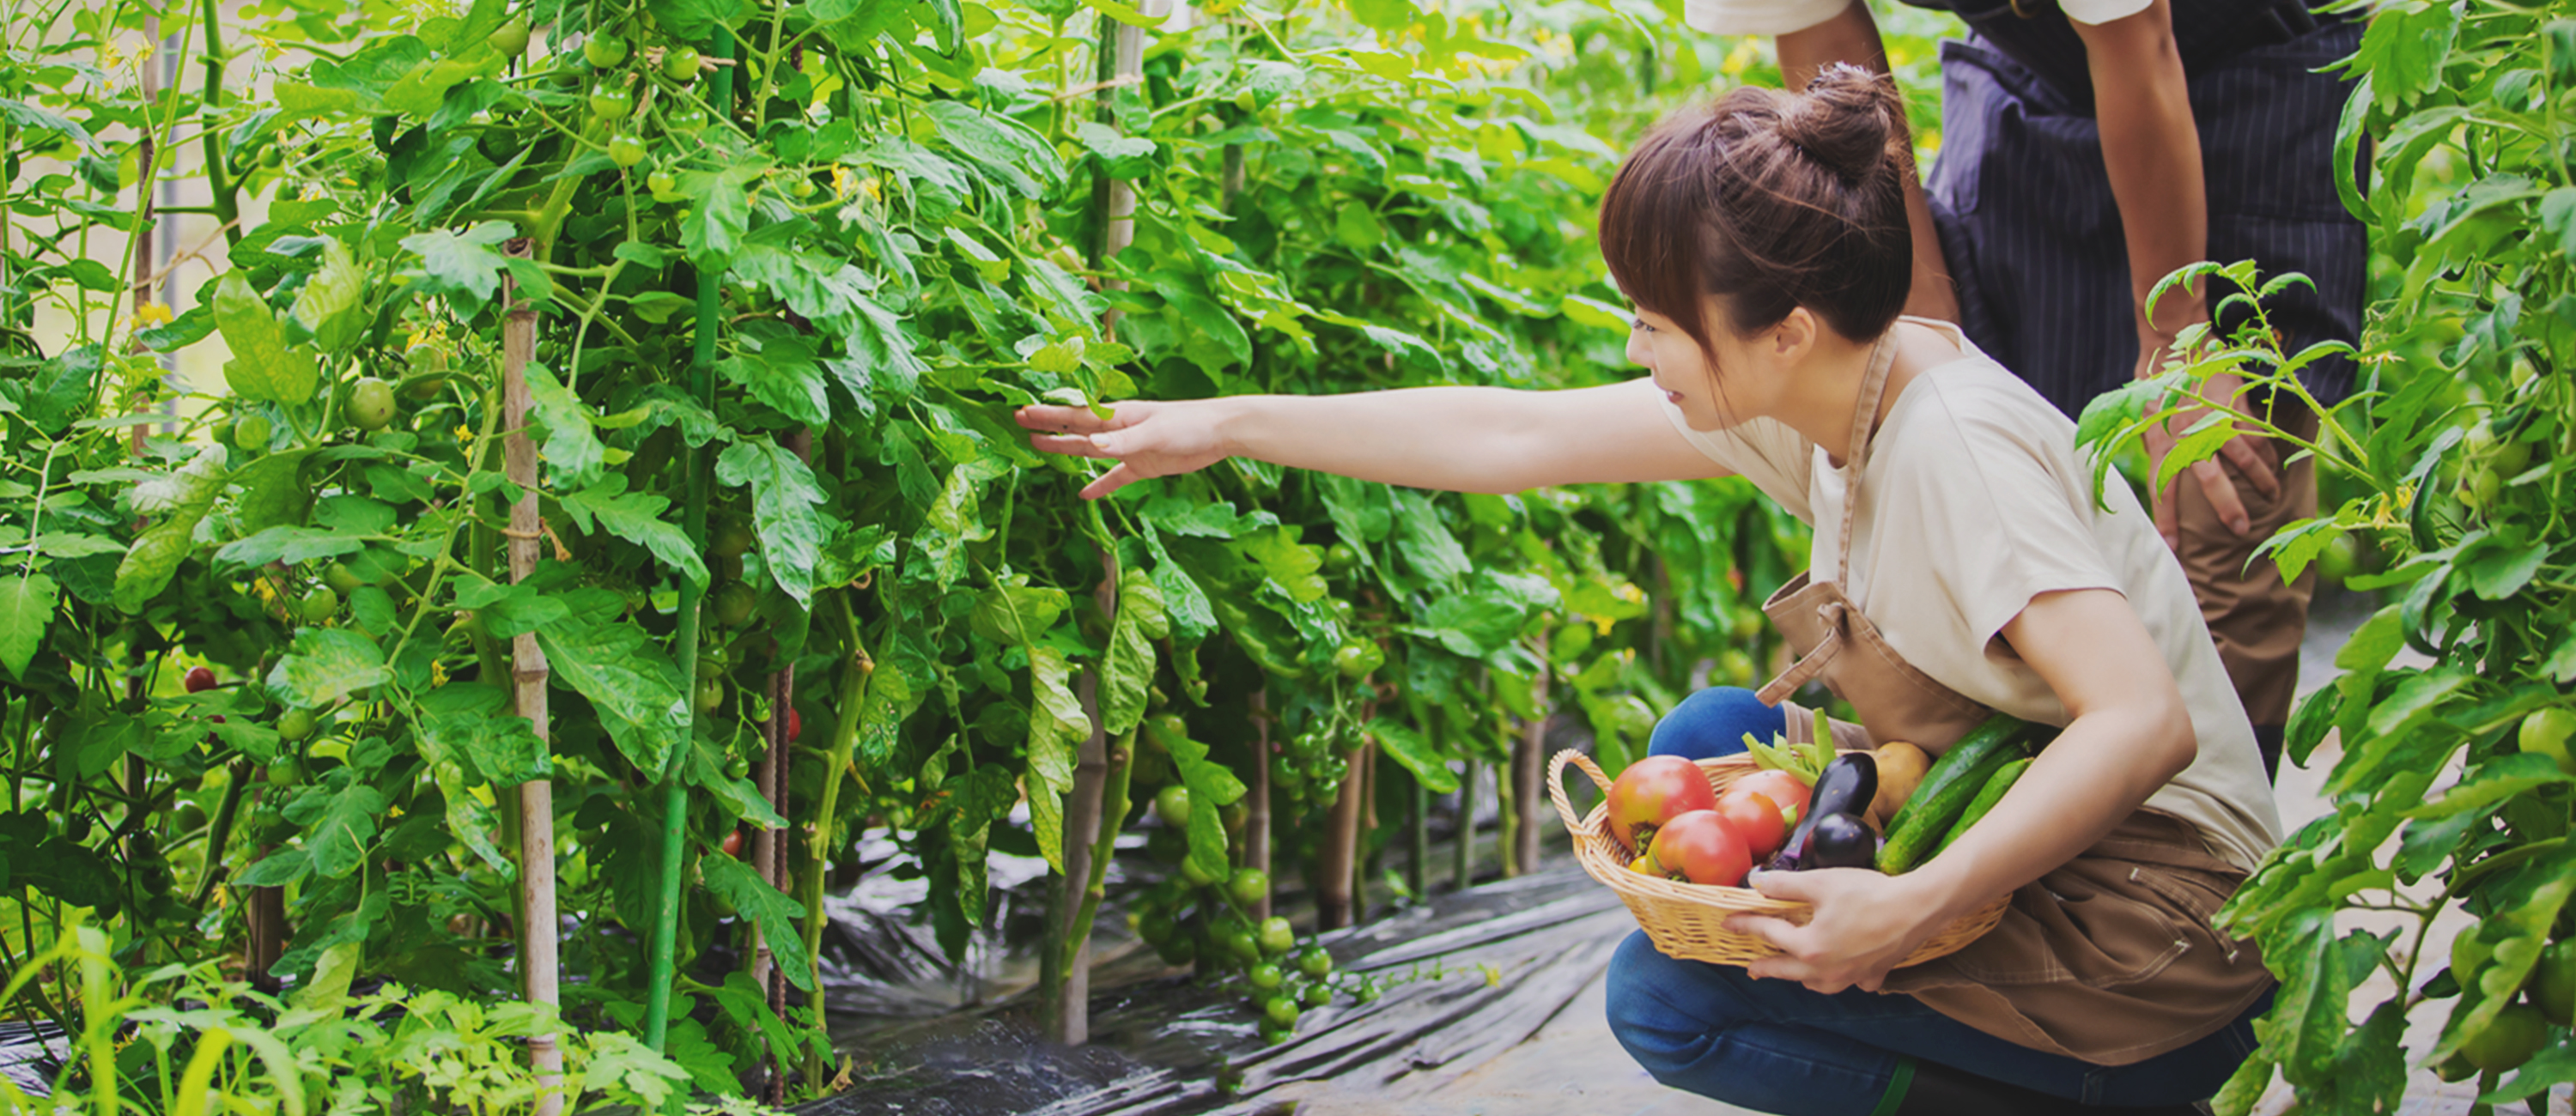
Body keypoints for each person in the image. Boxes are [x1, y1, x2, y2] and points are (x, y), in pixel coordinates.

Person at [1017, 69, 2280, 1115]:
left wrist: (1905, 910)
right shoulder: (1830, 391)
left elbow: (2140, 722)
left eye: (1659, 324)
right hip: (2064, 831)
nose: (1639, 352)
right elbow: (1509, 439)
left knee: (1665, 1003)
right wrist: (1224, 424)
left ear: (1784, 325)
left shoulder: (1951, 446)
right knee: (1695, 747)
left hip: (2164, 932)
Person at [1695, 0, 2365, 779]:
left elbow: (2136, 44)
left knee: (2223, 479)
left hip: (2248, 79)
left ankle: (2203, 859)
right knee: (1993, 478)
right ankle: (2039, 840)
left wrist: (2177, 341)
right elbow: (1823, 34)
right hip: (2035, 94)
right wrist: (1919, 300)